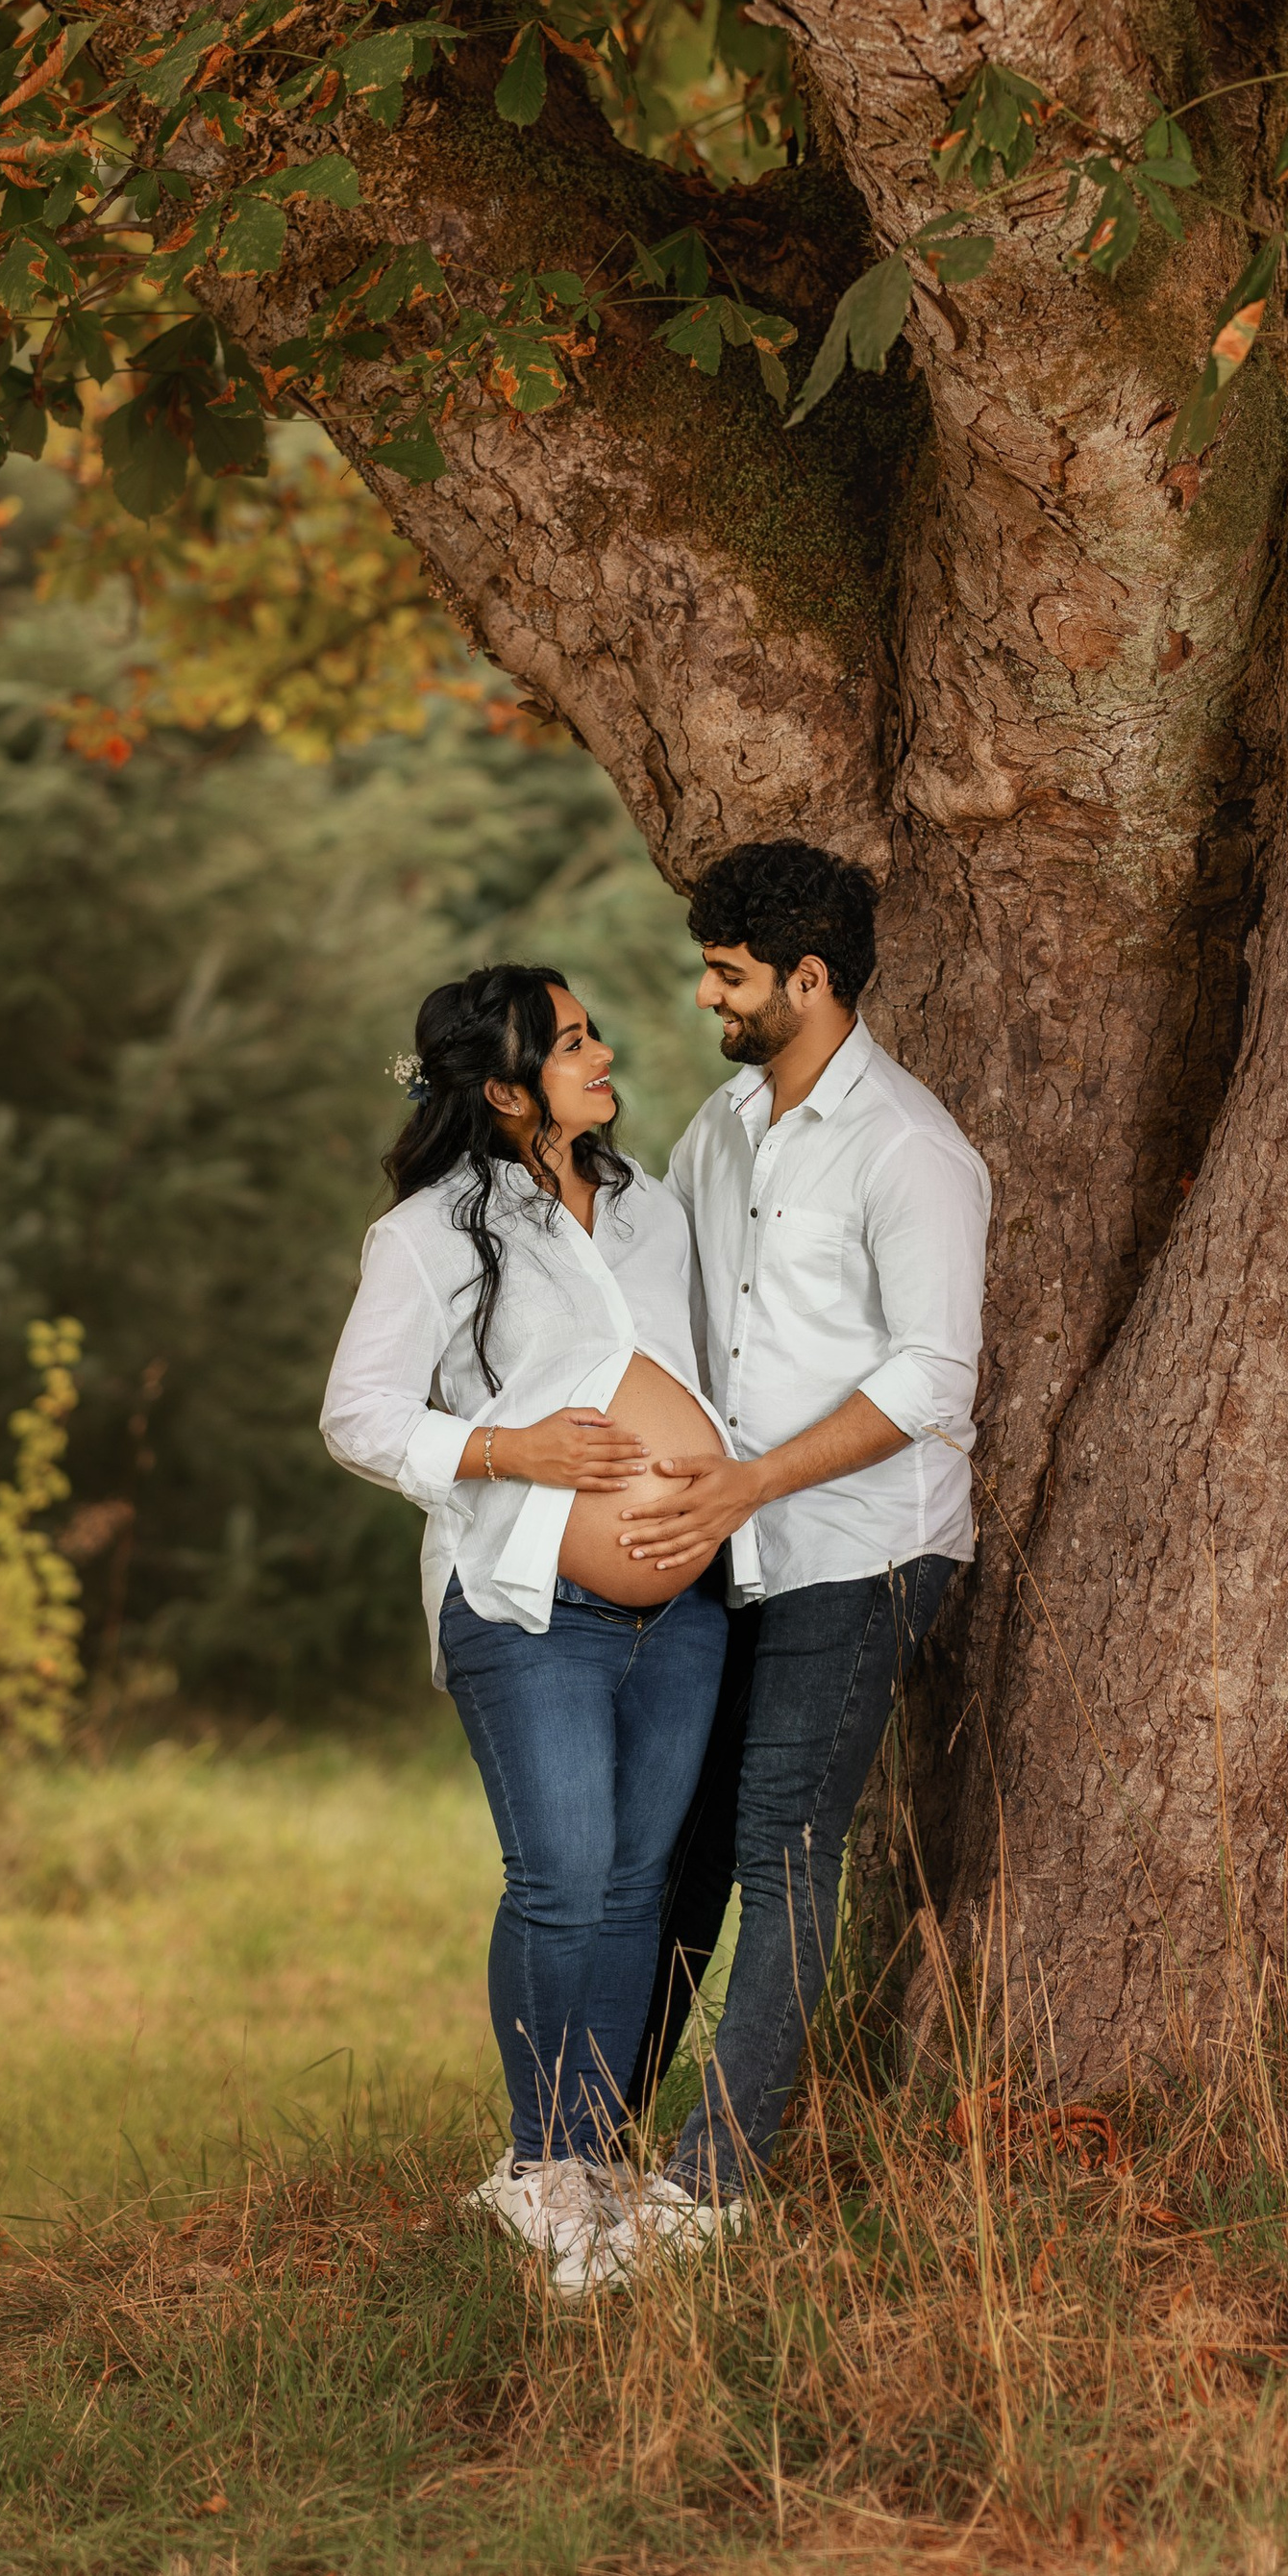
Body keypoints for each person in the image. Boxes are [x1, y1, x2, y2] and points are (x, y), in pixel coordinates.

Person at [319, 963, 747, 2296]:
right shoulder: (433, 1233)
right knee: (561, 1877)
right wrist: (510, 1447)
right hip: (527, 1605)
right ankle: (537, 2166)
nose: (603, 1052)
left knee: (632, 1888)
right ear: (505, 1091)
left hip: (679, 1612)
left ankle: (593, 2160)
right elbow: (360, 1415)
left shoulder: (648, 1209)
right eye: (571, 1044)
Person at [597, 840, 991, 2273]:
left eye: (728, 974)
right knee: (682, 1841)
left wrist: (748, 1485)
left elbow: (933, 1381)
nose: (707, 996)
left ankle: (712, 2188)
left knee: (784, 1845)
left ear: (806, 980)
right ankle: (586, 2145)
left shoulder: (913, 1152)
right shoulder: (721, 1129)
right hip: (728, 1548)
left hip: (858, 1549)